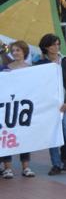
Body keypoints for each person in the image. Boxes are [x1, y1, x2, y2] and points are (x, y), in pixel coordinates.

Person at [35, 33, 66, 175]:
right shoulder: (40, 64)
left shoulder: (65, 61)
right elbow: (38, 86)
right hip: (49, 106)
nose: (56, 47)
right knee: (53, 136)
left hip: (64, 105)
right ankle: (56, 164)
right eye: (53, 44)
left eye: (58, 44)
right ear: (46, 47)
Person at [0, 41, 34, 178]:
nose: (15, 53)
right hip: (9, 108)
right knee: (7, 135)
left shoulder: (31, 69)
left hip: (24, 108)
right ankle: (7, 168)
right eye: (13, 51)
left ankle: (26, 167)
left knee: (24, 136)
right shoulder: (4, 68)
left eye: (18, 50)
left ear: (24, 52)